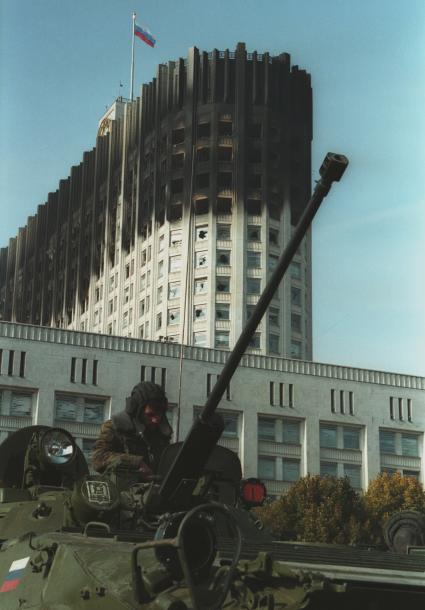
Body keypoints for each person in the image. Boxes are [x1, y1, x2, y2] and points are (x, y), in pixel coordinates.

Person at [92, 381, 172, 478]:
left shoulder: (161, 432)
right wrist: (135, 462)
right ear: (137, 410)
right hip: (122, 489)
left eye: (160, 414)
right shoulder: (115, 427)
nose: (156, 420)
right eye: (150, 415)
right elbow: (98, 458)